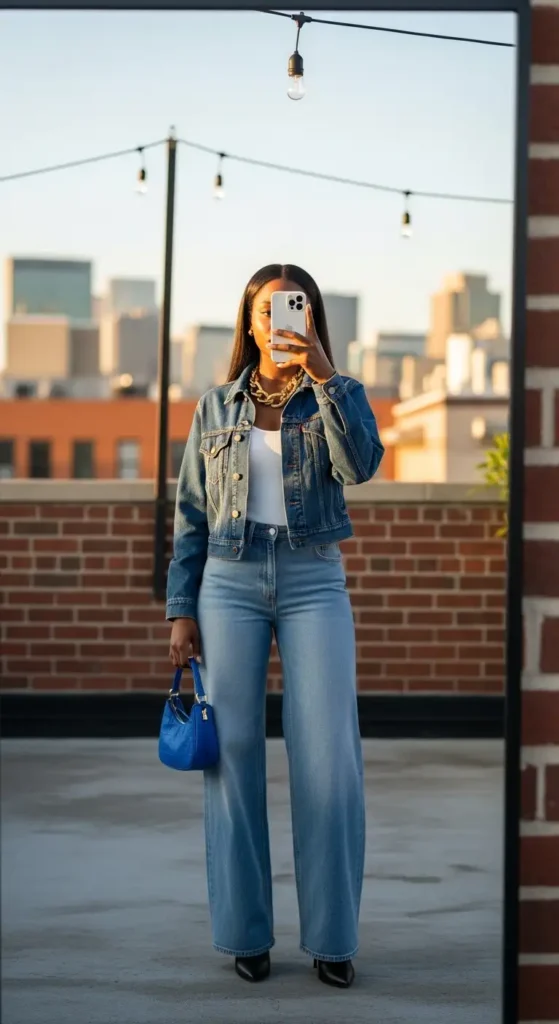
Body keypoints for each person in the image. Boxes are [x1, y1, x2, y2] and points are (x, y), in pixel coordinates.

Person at [167, 264, 384, 989]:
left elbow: (360, 468)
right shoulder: (215, 406)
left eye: (295, 309)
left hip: (311, 577)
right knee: (232, 760)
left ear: (312, 318)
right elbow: (191, 515)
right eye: (267, 309)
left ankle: (331, 938)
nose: (279, 320)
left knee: (328, 758)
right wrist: (180, 610)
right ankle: (245, 934)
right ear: (249, 320)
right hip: (227, 583)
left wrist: (324, 375)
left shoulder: (334, 394)